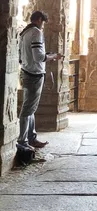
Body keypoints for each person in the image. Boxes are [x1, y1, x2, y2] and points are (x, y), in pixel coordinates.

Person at [18, 11, 63, 151]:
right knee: (27, 109)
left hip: (25, 72)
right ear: (38, 20)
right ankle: (22, 141)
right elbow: (38, 57)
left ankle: (31, 137)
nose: (43, 26)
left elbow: (23, 56)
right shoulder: (36, 32)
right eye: (43, 22)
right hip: (34, 75)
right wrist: (53, 56)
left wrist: (45, 55)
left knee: (30, 108)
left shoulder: (24, 33)